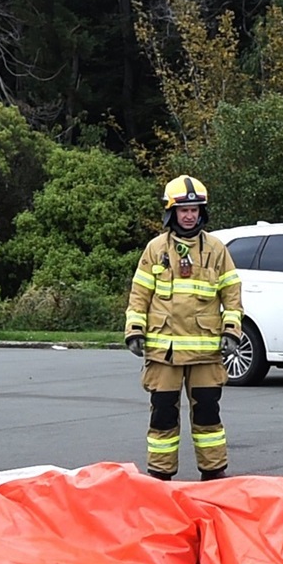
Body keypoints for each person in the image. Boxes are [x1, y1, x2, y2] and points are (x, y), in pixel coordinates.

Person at [122, 175, 244, 480]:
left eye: (194, 209)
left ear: (202, 212)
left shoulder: (216, 249)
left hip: (205, 353)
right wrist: (134, 331)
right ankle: (160, 477)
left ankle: (214, 475)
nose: (189, 215)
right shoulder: (155, 249)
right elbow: (139, 295)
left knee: (207, 416)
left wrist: (231, 330)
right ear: (171, 212)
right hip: (165, 353)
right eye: (183, 210)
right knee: (162, 416)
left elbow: (232, 295)